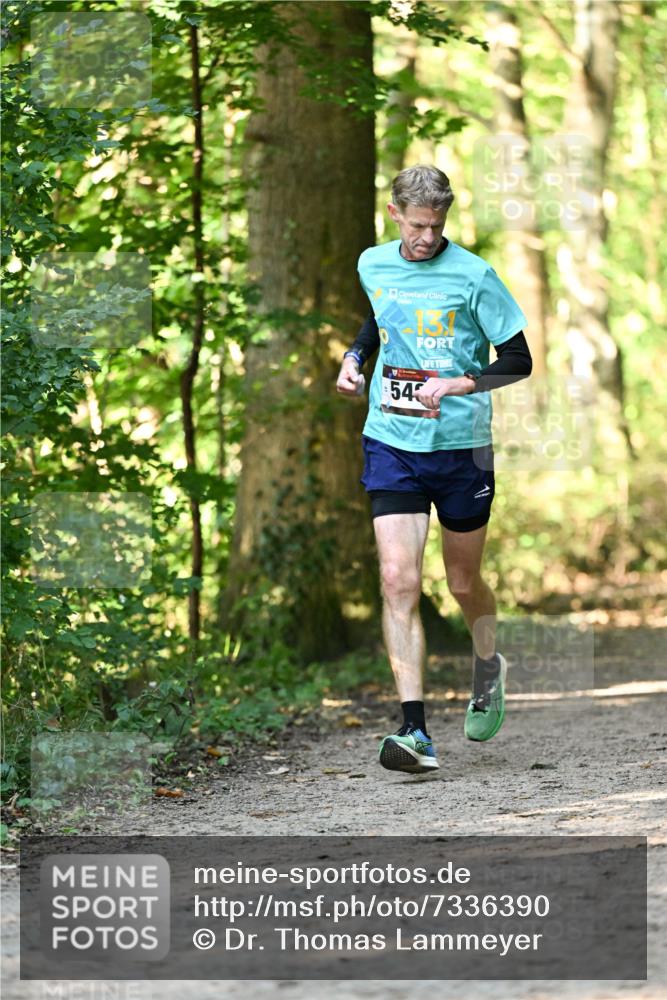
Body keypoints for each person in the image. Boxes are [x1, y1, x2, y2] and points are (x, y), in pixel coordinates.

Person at [336, 164, 532, 775]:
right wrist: (354, 358)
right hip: (391, 441)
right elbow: (381, 319)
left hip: (462, 448)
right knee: (398, 581)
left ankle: (488, 661)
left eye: (437, 226)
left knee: (463, 583)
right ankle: (414, 731)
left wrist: (460, 382)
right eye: (418, 225)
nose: (427, 237)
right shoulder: (373, 263)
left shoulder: (474, 275)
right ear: (395, 213)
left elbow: (519, 360)